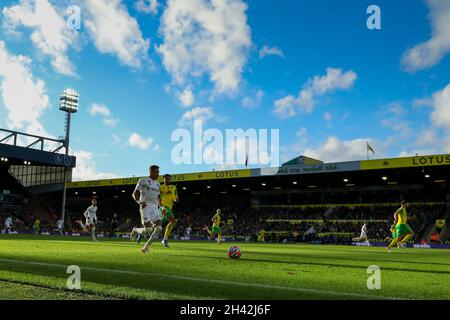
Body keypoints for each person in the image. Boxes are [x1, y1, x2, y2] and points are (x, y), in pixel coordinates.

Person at [129, 165, 163, 254]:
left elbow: (159, 197)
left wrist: (162, 207)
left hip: (155, 208)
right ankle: (135, 229)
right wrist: (139, 202)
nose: (158, 174)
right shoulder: (143, 180)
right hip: (145, 206)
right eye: (157, 172)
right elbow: (134, 194)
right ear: (151, 171)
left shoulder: (157, 183)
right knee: (148, 230)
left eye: (158, 172)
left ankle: (145, 248)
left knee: (159, 228)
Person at [159, 174, 179, 248]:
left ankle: (141, 232)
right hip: (163, 207)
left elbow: (175, 197)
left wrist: (175, 199)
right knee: (173, 221)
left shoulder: (174, 187)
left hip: (169, 208)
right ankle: (165, 239)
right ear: (163, 179)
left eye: (169, 179)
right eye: (166, 179)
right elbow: (157, 197)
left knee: (156, 227)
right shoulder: (160, 187)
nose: (167, 180)